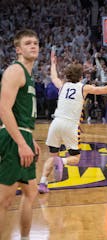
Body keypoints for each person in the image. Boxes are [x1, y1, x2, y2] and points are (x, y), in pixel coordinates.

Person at [38, 48, 107, 193]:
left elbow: (54, 77)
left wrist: (53, 64)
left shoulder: (63, 86)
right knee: (75, 158)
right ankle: (63, 161)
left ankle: (42, 183)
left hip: (55, 123)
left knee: (53, 156)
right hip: (70, 125)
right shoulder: (83, 87)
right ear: (80, 77)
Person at [0, 29, 41, 240]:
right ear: (18, 49)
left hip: (22, 136)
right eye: (27, 43)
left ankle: (25, 238)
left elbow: (19, 113)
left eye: (35, 43)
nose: (33, 46)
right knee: (5, 200)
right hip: (12, 138)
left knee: (30, 192)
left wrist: (30, 139)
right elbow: (4, 109)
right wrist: (21, 143)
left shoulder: (29, 75)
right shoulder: (15, 71)